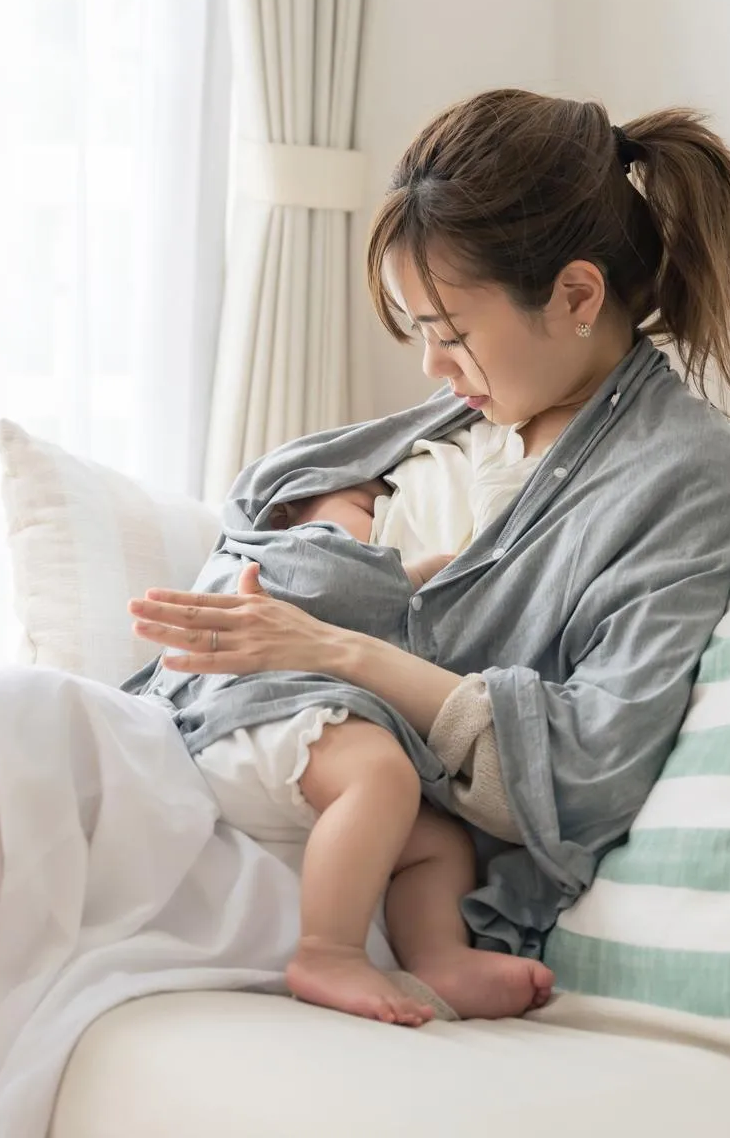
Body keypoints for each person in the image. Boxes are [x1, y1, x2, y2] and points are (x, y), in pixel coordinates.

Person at [0, 89, 730, 1138]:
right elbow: (275, 545)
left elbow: (591, 763)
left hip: (368, 864)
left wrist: (339, 647)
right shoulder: (460, 419)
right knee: (4, 721)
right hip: (233, 758)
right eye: (417, 329)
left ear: (577, 292)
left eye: (451, 330)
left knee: (11, 739)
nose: (430, 364)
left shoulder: (684, 482)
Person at [185, 423, 550, 1026]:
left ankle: (438, 958)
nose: (380, 521)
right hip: (254, 709)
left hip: (301, 740)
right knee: (382, 777)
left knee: (437, 844)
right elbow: (336, 587)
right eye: (364, 506)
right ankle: (329, 952)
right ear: (286, 510)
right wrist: (414, 576)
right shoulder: (281, 548)